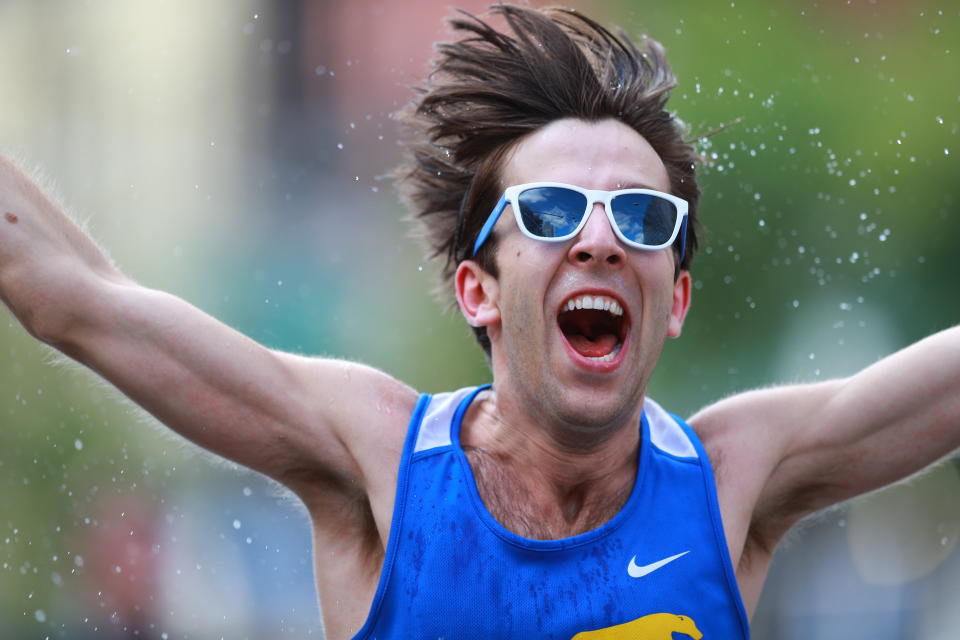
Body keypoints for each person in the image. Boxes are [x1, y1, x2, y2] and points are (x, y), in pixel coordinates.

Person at [0, 4, 956, 639]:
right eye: (548, 213)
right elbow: (67, 297)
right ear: (477, 291)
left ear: (676, 302)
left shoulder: (734, 478)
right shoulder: (376, 458)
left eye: (641, 218)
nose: (599, 241)